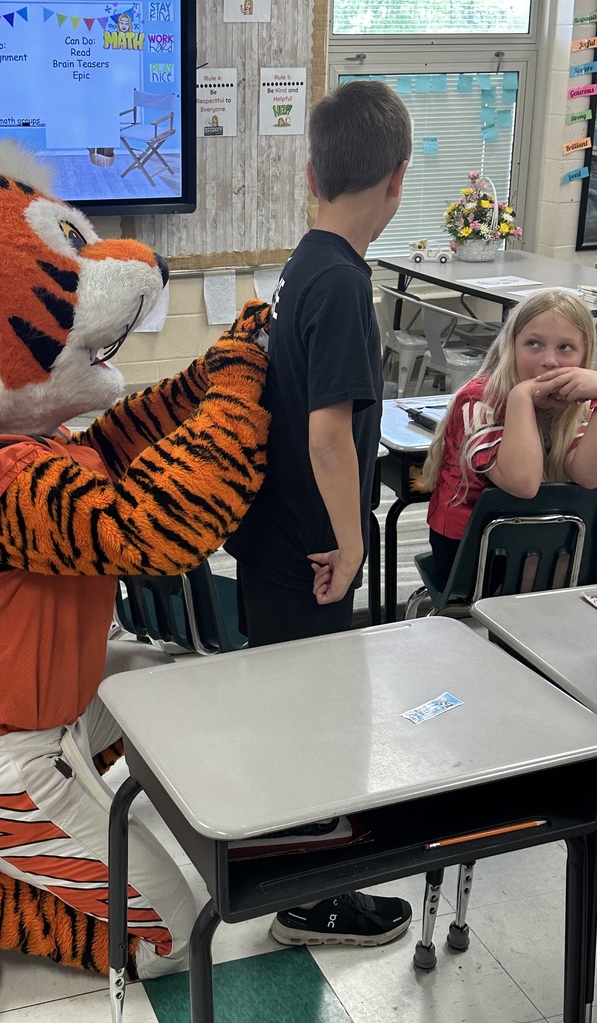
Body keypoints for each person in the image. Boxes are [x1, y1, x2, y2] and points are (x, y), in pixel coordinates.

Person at [225, 80, 414, 948]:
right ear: (398, 179)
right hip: (311, 552)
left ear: (311, 174)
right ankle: (312, 901)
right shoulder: (340, 283)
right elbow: (330, 438)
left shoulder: (307, 262)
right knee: (317, 725)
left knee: (295, 716)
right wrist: (353, 544)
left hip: (279, 540)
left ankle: (296, 880)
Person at [422, 288, 597, 590]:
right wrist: (521, 397)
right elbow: (523, 484)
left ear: (585, 356)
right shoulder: (478, 400)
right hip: (472, 547)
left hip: (546, 538)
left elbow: (587, 475)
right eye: (533, 344)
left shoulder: (578, 403)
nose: (550, 361)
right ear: (511, 347)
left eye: (566, 347)